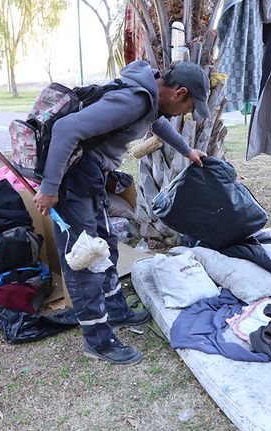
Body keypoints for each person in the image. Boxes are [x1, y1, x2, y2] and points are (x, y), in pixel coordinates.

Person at [33, 60, 211, 365]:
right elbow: (66, 128)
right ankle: (97, 340)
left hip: (91, 175)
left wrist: (187, 150)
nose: (186, 114)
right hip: (70, 178)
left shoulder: (151, 101)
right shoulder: (133, 100)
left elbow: (157, 123)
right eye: (189, 107)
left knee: (105, 243)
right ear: (179, 93)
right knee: (85, 258)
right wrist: (50, 187)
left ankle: (117, 312)